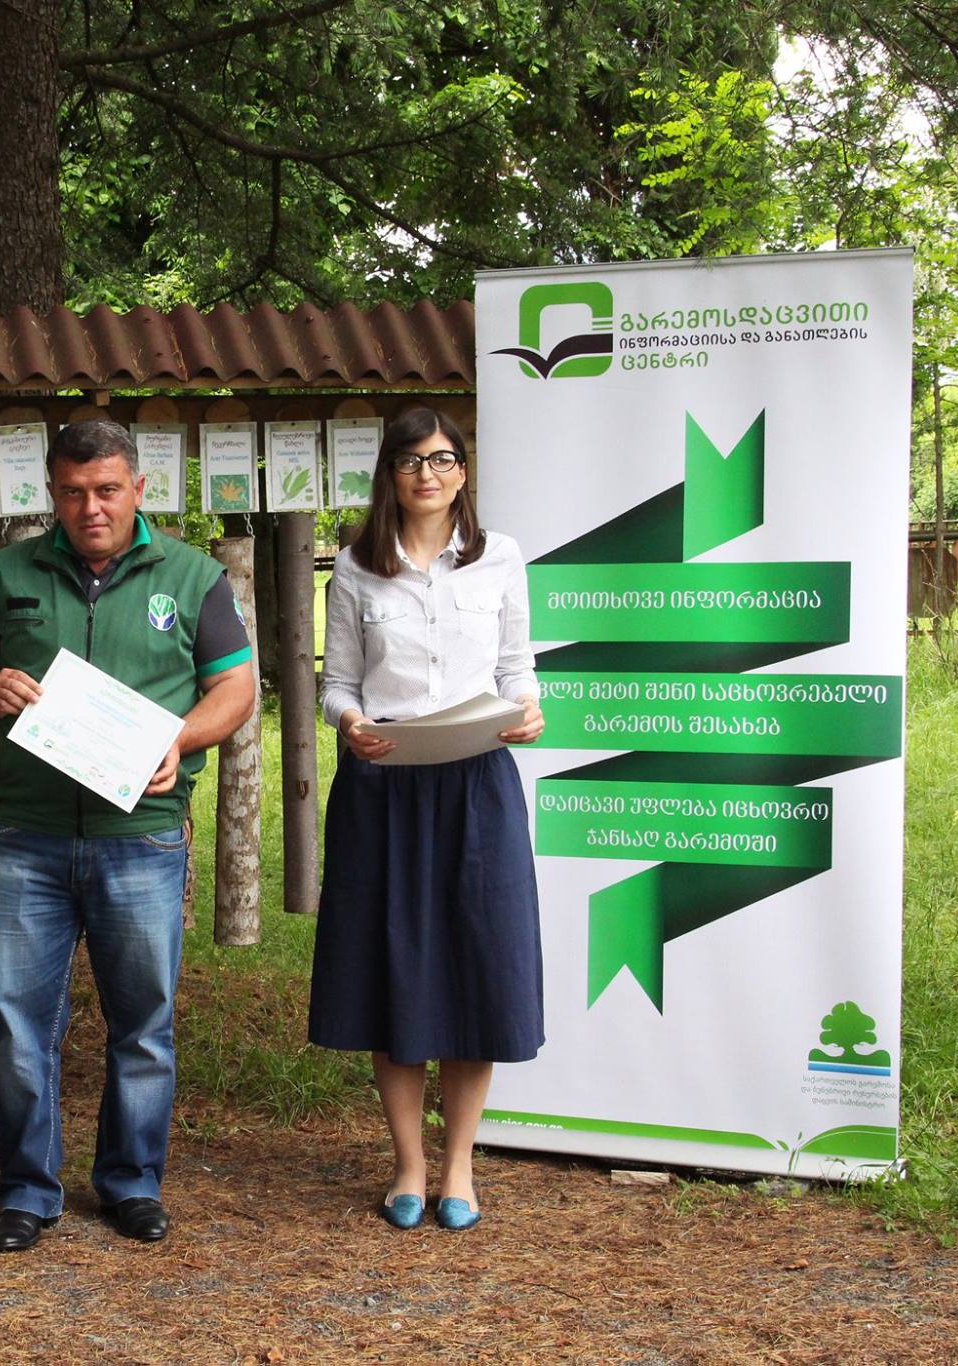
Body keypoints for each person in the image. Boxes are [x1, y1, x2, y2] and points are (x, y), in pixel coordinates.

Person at [0, 420, 256, 1253]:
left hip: (141, 836)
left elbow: (235, 687)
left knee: (143, 1023)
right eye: (74, 492)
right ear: (52, 492)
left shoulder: (192, 576)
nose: (92, 508)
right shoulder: (5, 574)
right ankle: (27, 1191)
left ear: (139, 489)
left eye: (108, 490)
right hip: (30, 836)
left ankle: (132, 1182)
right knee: (19, 1024)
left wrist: (179, 739)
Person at [309, 406, 546, 1233]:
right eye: (410, 461)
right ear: (390, 473)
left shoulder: (499, 557)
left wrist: (529, 708)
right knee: (395, 969)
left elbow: (517, 668)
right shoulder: (354, 567)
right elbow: (337, 684)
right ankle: (408, 1164)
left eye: (442, 459)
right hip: (385, 786)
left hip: (478, 784)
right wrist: (350, 724)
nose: (427, 474)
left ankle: (459, 1168)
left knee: (478, 967)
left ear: (462, 471)